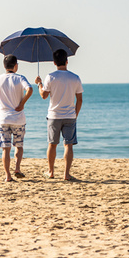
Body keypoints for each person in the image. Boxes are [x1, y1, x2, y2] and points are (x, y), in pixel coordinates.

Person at [35, 49, 83, 181]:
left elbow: (44, 96)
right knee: (68, 145)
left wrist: (39, 84)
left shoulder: (50, 77)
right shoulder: (75, 77)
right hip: (70, 116)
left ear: (54, 62)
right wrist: (75, 114)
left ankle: (51, 171)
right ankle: (66, 174)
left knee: (52, 144)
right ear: (67, 61)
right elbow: (79, 99)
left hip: (54, 116)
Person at [0, 55, 33, 182]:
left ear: (5, 66)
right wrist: (22, 103)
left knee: (6, 148)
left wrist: (3, 105)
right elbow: (29, 89)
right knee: (19, 146)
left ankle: (7, 176)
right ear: (16, 65)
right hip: (18, 118)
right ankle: (17, 168)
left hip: (3, 118)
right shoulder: (20, 78)